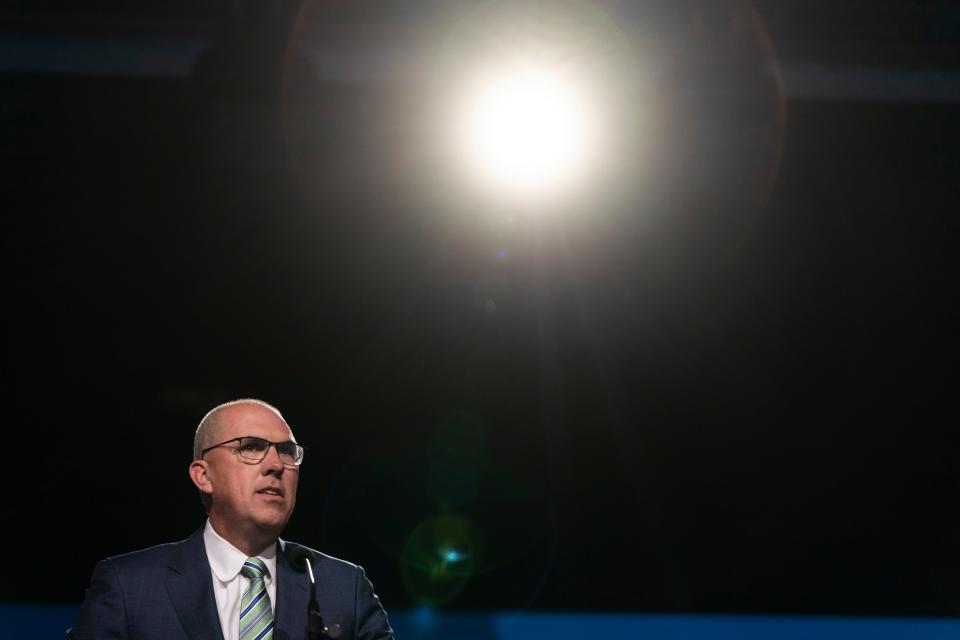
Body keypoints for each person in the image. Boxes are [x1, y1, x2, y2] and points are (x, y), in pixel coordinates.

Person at [72, 398, 394, 640]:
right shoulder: (129, 587)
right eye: (251, 447)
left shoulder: (342, 587)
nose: (276, 465)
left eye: (286, 451)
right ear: (204, 476)